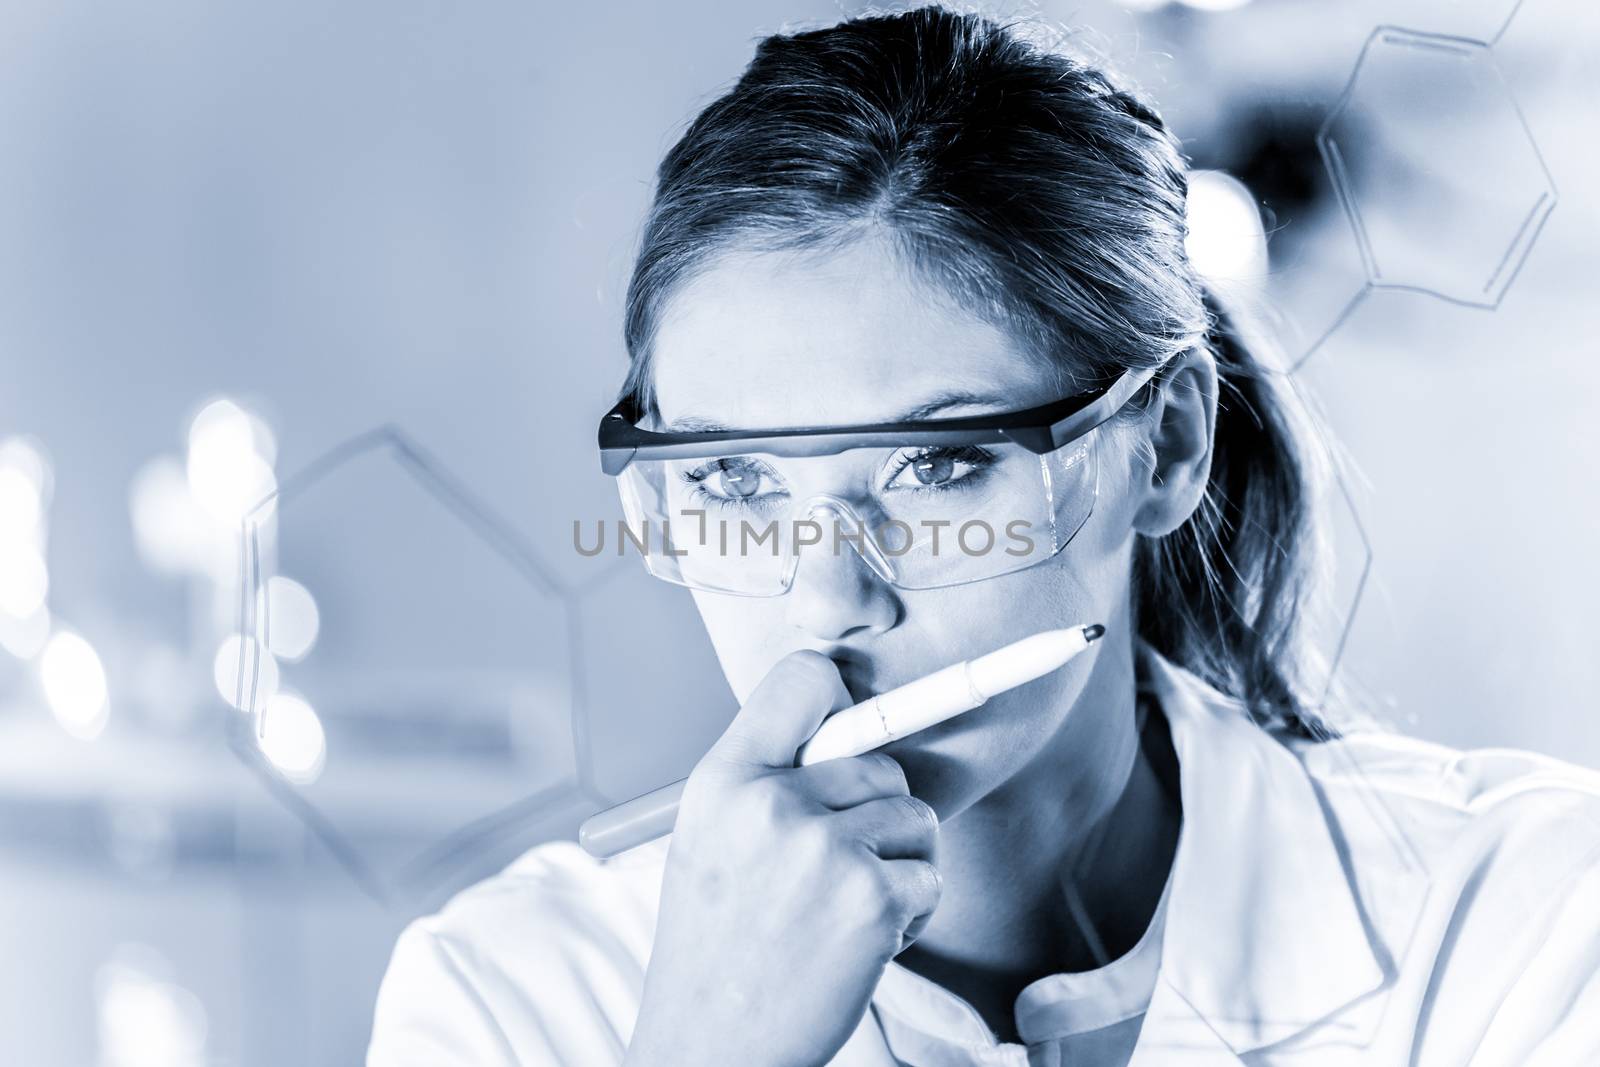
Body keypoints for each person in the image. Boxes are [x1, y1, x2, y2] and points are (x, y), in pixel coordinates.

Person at [367, 7, 1600, 1065]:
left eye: (941, 466)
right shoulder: (511, 998)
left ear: (1164, 445)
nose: (828, 597)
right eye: (736, 481)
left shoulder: (1526, 916)